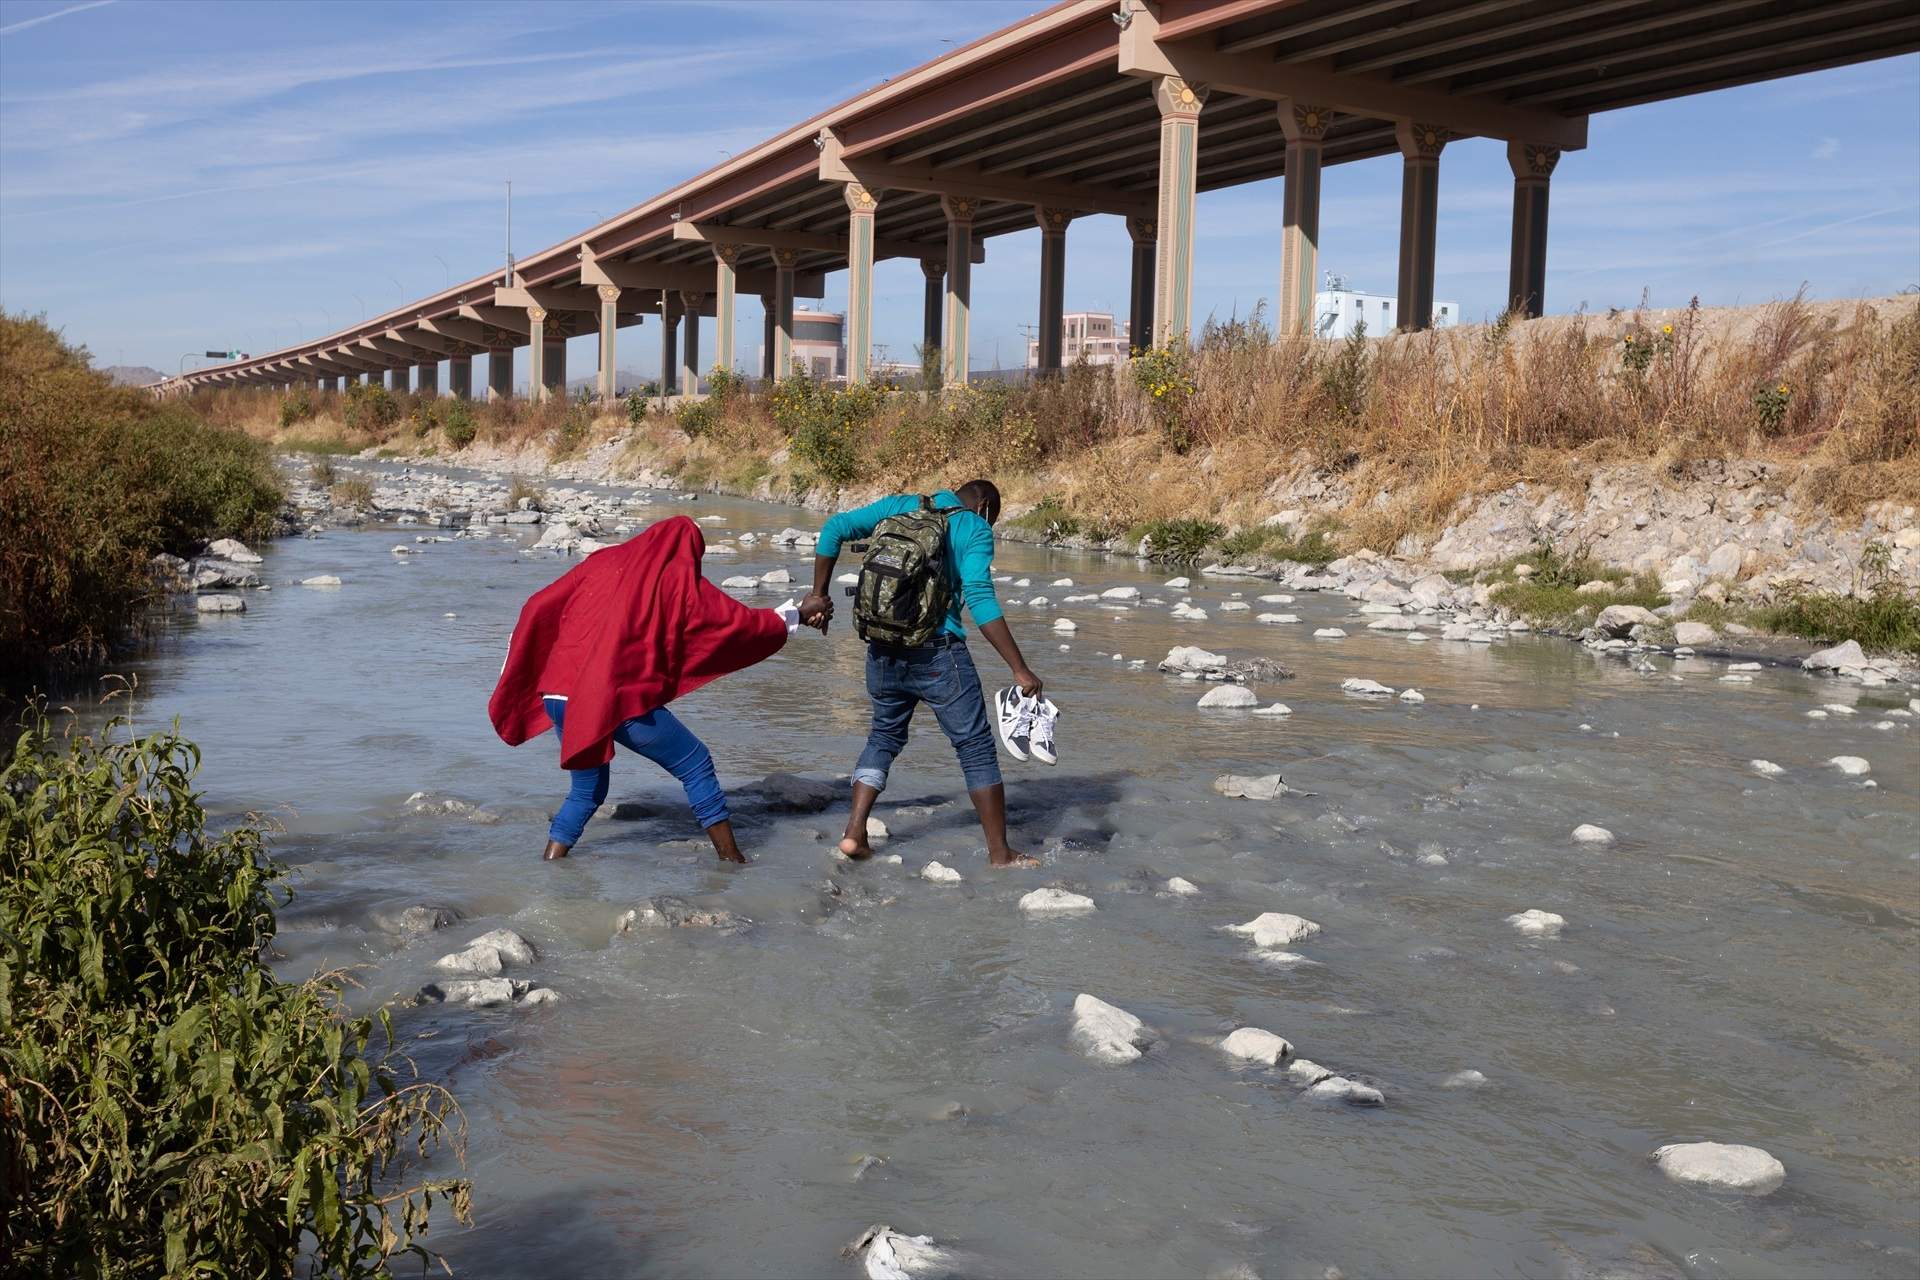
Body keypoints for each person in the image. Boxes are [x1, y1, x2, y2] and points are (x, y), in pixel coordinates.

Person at [490, 515, 827, 863]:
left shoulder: (603, 561)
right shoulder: (675, 578)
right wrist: (797, 615)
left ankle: (551, 864)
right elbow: (735, 624)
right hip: (607, 696)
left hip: (558, 694)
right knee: (695, 763)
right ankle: (733, 863)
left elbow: (538, 604)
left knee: (587, 791)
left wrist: (526, 660)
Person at [804, 479, 1043, 869]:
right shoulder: (974, 527)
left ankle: (854, 833)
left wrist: (818, 595)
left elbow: (833, 528)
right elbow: (980, 599)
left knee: (883, 736)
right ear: (984, 505)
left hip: (882, 649)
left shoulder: (901, 505)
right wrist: (1019, 668)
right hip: (939, 654)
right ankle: (1000, 854)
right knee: (975, 747)